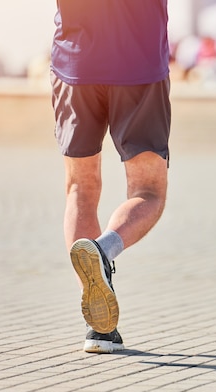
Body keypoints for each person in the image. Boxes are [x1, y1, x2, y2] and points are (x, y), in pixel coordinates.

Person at [50, 0, 171, 354]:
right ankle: (104, 251)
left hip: (74, 63)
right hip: (138, 66)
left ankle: (98, 327)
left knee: (79, 190)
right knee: (149, 191)